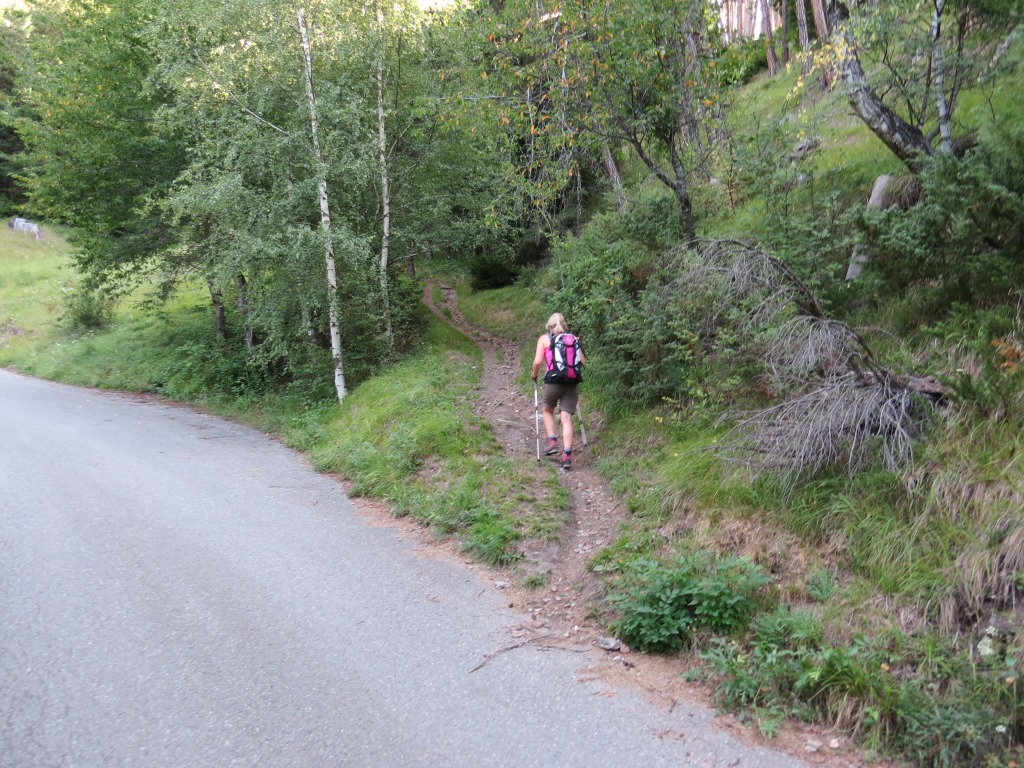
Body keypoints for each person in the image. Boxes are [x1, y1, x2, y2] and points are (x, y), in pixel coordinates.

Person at [531, 312, 585, 470]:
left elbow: (538, 362)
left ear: (549, 326)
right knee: (566, 418)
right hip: (572, 382)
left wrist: (534, 374)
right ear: (565, 324)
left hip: (553, 382)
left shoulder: (544, 339)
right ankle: (567, 455)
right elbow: (582, 361)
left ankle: (552, 441)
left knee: (547, 409)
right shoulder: (573, 339)